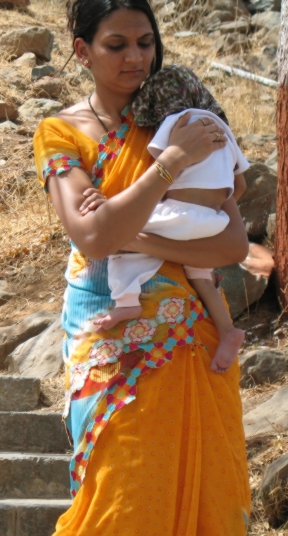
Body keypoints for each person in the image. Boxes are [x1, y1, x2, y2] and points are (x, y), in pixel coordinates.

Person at [24, 0, 251, 536]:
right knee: (120, 502)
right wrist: (168, 168)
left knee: (209, 507)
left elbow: (231, 243)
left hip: (192, 344)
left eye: (146, 43)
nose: (136, 58)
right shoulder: (60, 133)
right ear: (82, 50)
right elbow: (93, 234)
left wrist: (142, 229)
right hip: (108, 336)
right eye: (116, 44)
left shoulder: (179, 117)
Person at [81, 64, 248, 373]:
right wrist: (208, 210)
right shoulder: (221, 129)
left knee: (117, 231)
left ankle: (127, 301)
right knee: (201, 275)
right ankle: (228, 331)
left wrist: (111, 202)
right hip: (213, 222)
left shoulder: (176, 122)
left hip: (177, 214)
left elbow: (161, 170)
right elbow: (240, 185)